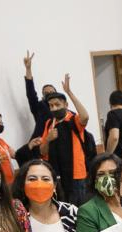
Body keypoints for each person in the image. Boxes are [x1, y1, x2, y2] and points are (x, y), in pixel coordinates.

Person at [37, 75, 92, 206]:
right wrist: (48, 139)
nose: (54, 108)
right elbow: (42, 151)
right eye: (51, 106)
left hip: (76, 175)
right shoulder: (49, 123)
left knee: (80, 209)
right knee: (63, 208)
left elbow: (85, 117)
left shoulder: (73, 119)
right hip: (57, 175)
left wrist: (69, 92)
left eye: (57, 104)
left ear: (65, 105)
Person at [22, 50, 55, 136]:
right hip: (43, 141)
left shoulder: (65, 111)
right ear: (43, 96)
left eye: (52, 92)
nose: (49, 94)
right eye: (46, 93)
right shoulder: (40, 107)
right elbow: (31, 94)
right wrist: (28, 69)